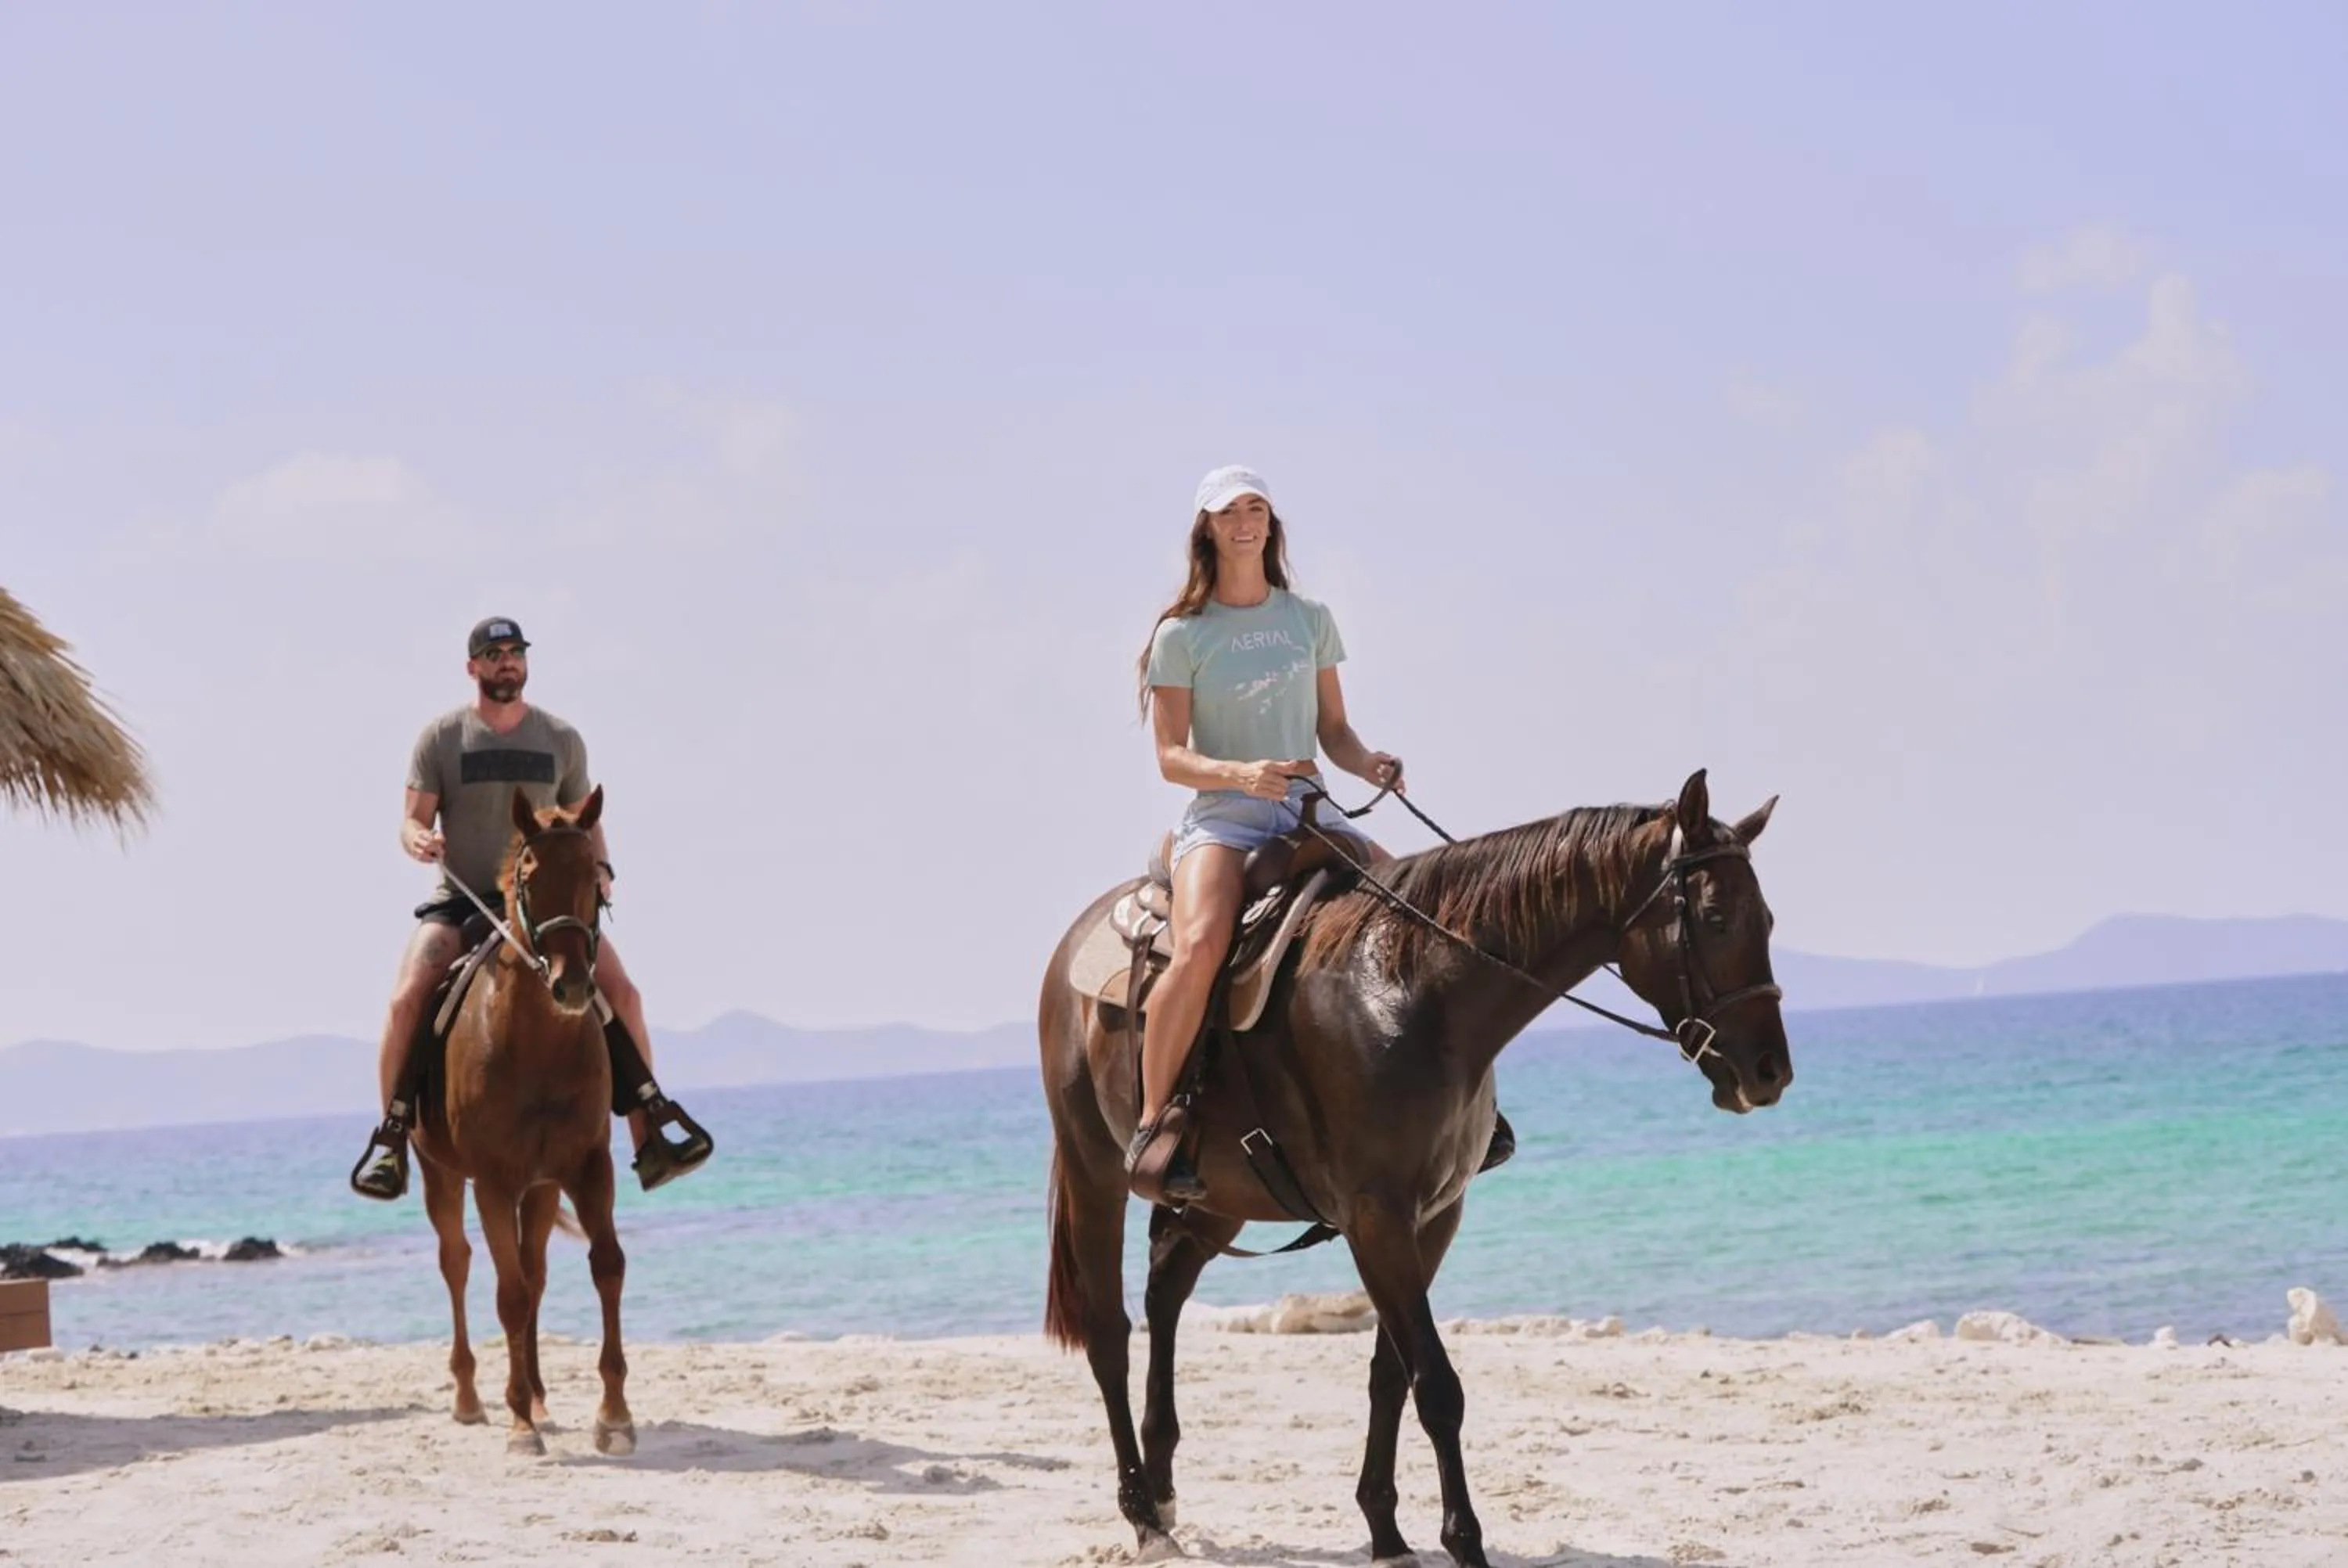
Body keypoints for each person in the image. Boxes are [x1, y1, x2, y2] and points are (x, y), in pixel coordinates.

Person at [1131, 466, 1513, 1201]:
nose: (1245, 521)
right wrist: (1243, 776)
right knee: (1203, 944)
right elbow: (1171, 758)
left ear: (1272, 523)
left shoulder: (1309, 620)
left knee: (1430, 917)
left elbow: (1333, 730)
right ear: (1206, 528)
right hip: (1224, 816)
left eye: (1257, 508)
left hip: (1310, 806)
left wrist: (1369, 763)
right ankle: (1155, 1124)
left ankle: (1475, 1111)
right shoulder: (1183, 634)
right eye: (1229, 512)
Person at [348, 616, 713, 1201]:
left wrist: (602, 871)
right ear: (473, 668)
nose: (506, 663)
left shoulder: (561, 739)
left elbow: (584, 821)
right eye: (493, 655)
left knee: (624, 994)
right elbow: (412, 818)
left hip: (546, 909)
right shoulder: (441, 738)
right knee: (406, 998)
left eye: (515, 652)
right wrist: (417, 839)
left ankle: (650, 1129)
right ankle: (392, 1137)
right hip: (463, 900)